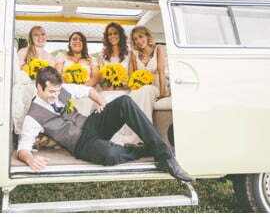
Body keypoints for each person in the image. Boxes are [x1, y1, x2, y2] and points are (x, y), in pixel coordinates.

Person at [15, 67, 193, 182]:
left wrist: (102, 103)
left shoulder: (63, 89)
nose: (55, 95)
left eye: (57, 91)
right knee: (110, 154)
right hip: (80, 144)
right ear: (38, 87)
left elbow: (89, 90)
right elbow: (22, 149)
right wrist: (30, 159)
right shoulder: (33, 117)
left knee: (124, 102)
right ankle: (144, 150)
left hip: (91, 123)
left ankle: (165, 157)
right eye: (51, 92)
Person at [98, 22, 142, 145]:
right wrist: (110, 86)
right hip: (108, 90)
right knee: (105, 98)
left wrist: (120, 86)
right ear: (107, 37)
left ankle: (128, 137)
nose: (112, 36)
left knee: (126, 99)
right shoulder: (102, 55)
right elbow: (102, 80)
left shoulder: (129, 54)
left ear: (120, 35)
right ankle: (111, 137)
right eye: (109, 34)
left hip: (125, 89)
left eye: (115, 33)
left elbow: (132, 78)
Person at [54, 32, 100, 115]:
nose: (77, 41)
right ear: (69, 43)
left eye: (80, 40)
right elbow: (57, 74)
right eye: (74, 39)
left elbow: (95, 78)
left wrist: (81, 88)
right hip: (66, 90)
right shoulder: (62, 56)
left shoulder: (91, 59)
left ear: (84, 44)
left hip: (86, 91)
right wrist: (70, 87)